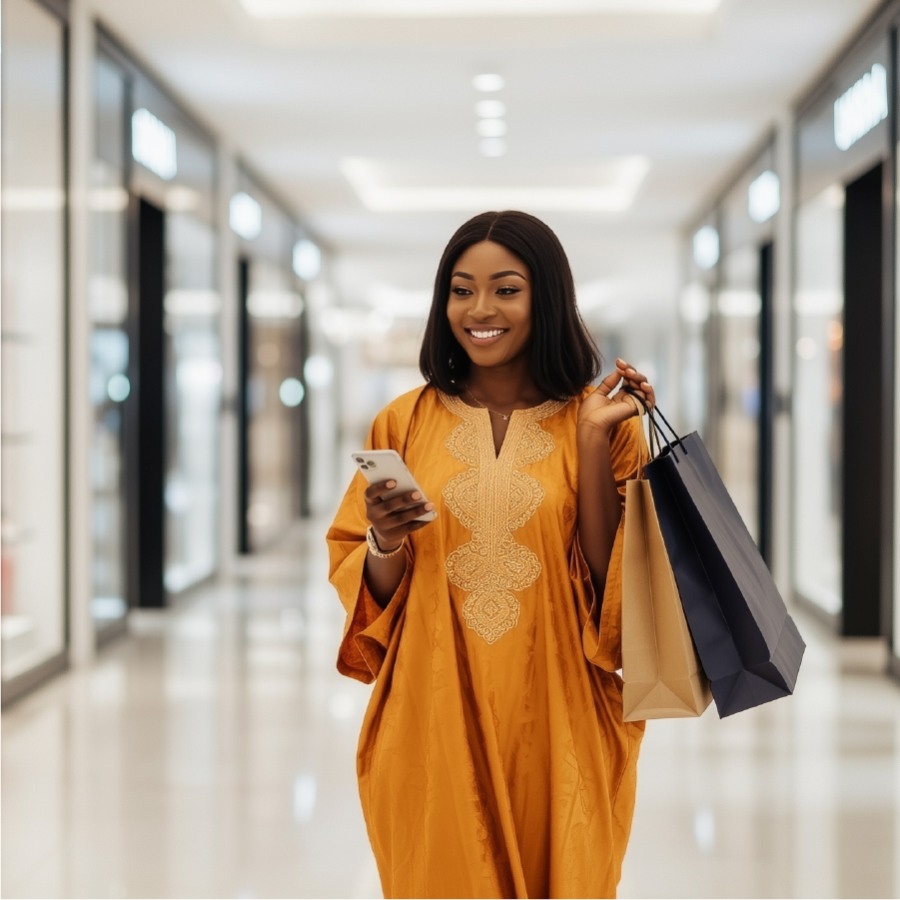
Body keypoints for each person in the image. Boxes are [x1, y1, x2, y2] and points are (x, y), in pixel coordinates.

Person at [327, 210, 656, 899]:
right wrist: (386, 540)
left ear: (549, 298)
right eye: (460, 289)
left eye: (506, 289)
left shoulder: (600, 425)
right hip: (432, 708)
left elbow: (614, 592)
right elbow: (368, 583)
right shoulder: (403, 421)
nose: (480, 309)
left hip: (562, 717)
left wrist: (594, 445)